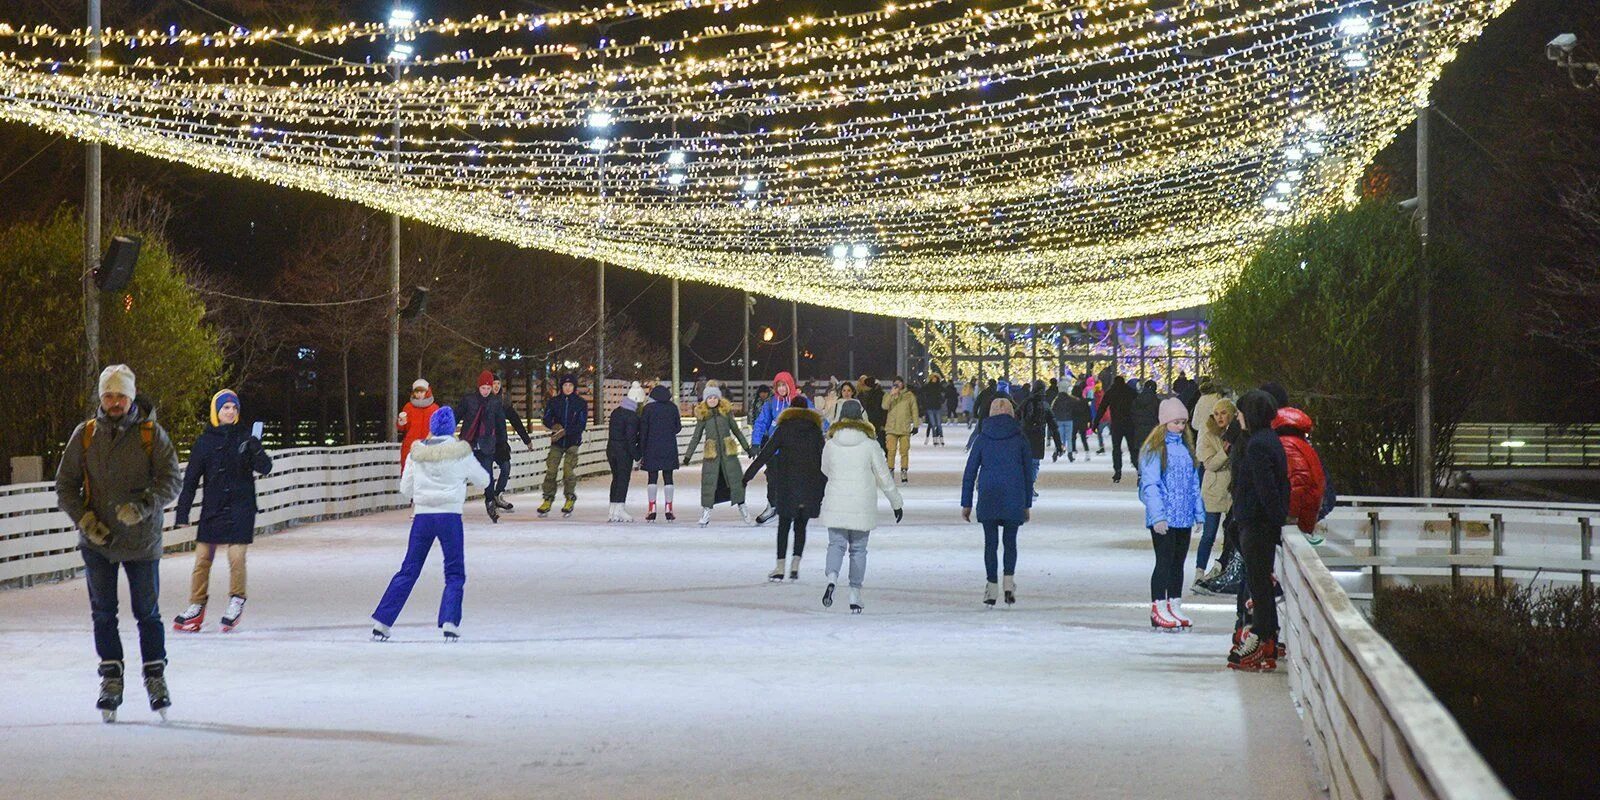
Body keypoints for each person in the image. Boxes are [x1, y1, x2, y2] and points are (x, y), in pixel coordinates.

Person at [56, 365, 182, 722]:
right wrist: (85, 520)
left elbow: (171, 479)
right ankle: (111, 678)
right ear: (101, 397)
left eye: (121, 396)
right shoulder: (85, 435)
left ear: (131, 398)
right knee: (103, 613)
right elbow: (65, 486)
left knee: (147, 613)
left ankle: (155, 676)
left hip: (142, 541)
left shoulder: (150, 435)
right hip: (98, 543)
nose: (114, 402)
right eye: (109, 395)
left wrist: (144, 505)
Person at [371, 406, 490, 643]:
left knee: (409, 569)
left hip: (423, 518)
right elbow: (484, 480)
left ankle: (382, 621)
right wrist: (462, 477)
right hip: (449, 517)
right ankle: (450, 621)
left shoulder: (417, 453)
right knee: (454, 571)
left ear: (432, 428)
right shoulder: (461, 453)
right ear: (452, 427)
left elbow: (406, 489)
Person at [172, 389, 273, 634]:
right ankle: (196, 605)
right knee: (202, 559)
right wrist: (182, 512)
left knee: (236, 557)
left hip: (241, 506)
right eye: (225, 408)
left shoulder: (246, 438)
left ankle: (236, 599)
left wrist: (255, 448)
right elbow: (192, 479)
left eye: (234, 408)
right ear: (217, 412)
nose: (230, 412)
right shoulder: (204, 442)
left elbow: (266, 467)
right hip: (214, 508)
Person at [818, 399, 903, 613]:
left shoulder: (831, 443)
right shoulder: (870, 444)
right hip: (862, 503)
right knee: (858, 550)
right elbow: (883, 476)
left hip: (836, 500)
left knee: (836, 545)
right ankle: (855, 593)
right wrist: (896, 503)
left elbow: (825, 469)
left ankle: (831, 579)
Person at [1227, 389, 1290, 672]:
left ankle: (1261, 636)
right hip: (1259, 524)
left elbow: (1267, 489)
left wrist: (1274, 521)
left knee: (1260, 584)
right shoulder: (1268, 441)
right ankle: (1268, 637)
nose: (1237, 418)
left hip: (1257, 525)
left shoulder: (1257, 446)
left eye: (1240, 413)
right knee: (1261, 582)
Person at [1139, 399, 1206, 631]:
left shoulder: (1187, 450)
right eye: (1176, 422)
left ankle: (1173, 604)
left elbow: (1194, 484)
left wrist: (1199, 513)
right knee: (1164, 562)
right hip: (1165, 517)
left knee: (1178, 563)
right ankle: (1158, 606)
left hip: (1183, 516)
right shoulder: (1155, 449)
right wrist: (1157, 516)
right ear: (1164, 422)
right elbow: (1150, 484)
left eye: (1183, 423)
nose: (1180, 426)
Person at [960, 398, 1034, 607]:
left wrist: (966, 502)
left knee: (990, 544)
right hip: (1014, 496)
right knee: (1010, 542)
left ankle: (991, 587)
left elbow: (970, 472)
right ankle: (1008, 585)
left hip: (989, 495)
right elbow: (1028, 474)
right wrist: (1027, 503)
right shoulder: (1020, 438)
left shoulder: (983, 438)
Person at [743, 395, 826, 581]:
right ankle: (795, 565)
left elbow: (765, 455)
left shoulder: (784, 429)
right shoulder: (815, 430)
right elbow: (824, 459)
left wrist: (747, 476)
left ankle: (780, 568)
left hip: (787, 483)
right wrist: (824, 484)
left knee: (784, 526)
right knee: (801, 527)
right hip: (808, 484)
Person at [684, 382, 755, 526]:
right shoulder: (703, 416)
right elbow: (696, 437)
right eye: (709, 398)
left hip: (728, 455)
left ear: (719, 398)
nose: (712, 400)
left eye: (714, 397)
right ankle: (706, 512)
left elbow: (736, 431)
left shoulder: (726, 413)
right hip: (712, 456)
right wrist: (688, 455)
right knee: (710, 485)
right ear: (705, 400)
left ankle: (743, 509)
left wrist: (747, 448)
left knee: (736, 484)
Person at [1195, 398, 1237, 586]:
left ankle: (1222, 568)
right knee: (1209, 534)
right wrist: (1225, 452)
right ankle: (1199, 571)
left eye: (1224, 413)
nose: (1219, 417)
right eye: (1216, 414)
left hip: (1231, 490)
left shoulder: (1238, 435)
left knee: (1229, 532)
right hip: (1213, 489)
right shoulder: (1208, 435)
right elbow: (1210, 464)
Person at [456, 370, 507, 522]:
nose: (486, 391)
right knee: (460, 475)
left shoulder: (495, 402)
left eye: (488, 388)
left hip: (487, 444)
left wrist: (502, 443)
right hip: (468, 444)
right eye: (483, 388)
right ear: (478, 387)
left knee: (487, 475)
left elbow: (500, 424)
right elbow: (457, 415)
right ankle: (454, 504)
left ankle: (490, 502)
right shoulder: (469, 400)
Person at [538, 374, 588, 517]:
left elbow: (581, 424)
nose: (568, 388)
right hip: (557, 442)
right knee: (551, 470)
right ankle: (547, 498)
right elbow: (546, 418)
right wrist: (554, 426)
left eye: (570, 386)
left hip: (572, 442)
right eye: (565, 385)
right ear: (561, 387)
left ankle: (569, 498)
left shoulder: (580, 403)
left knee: (568, 471)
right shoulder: (554, 402)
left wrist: (566, 431)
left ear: (574, 387)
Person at [638, 383, 683, 522]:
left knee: (652, 478)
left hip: (651, 447)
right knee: (668, 477)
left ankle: (652, 508)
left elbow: (643, 430)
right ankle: (669, 508)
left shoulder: (648, 409)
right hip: (669, 447)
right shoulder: (673, 408)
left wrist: (641, 449)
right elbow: (678, 427)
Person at [491, 378, 534, 513]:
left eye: (498, 383)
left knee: (505, 467)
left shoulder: (504, 404)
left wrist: (526, 440)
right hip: (486, 443)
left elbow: (516, 422)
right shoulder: (483, 402)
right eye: (494, 383)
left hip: (500, 444)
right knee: (486, 472)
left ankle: (498, 495)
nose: (496, 386)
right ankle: (490, 498)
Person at [606, 383, 646, 522]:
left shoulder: (616, 412)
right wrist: (637, 455)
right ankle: (619, 509)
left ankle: (612, 510)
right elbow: (630, 439)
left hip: (611, 449)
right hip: (623, 452)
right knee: (623, 479)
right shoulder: (632, 417)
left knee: (616, 479)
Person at [1017, 380, 1063, 489]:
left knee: (1024, 462)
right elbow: (1054, 427)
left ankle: (1024, 485)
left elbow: (1016, 417)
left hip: (1024, 437)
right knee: (1034, 463)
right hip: (1038, 439)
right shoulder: (1045, 405)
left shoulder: (1025, 402)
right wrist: (1058, 445)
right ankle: (1030, 486)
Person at [1097, 376, 1137, 482]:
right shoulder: (1131, 392)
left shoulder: (1111, 392)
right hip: (1129, 423)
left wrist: (1096, 422)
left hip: (1116, 424)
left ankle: (1117, 471)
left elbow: (1102, 407)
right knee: (1133, 447)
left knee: (1116, 448)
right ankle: (1138, 468)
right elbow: (1138, 407)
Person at [396, 378, 440, 472]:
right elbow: (402, 428)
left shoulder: (434, 408)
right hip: (410, 445)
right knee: (409, 472)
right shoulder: (408, 407)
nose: (419, 394)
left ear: (427, 392)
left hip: (429, 446)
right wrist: (401, 422)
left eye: (422, 392)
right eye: (417, 392)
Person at [881, 376, 920, 483]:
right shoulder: (888, 395)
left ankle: (904, 470)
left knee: (904, 451)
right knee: (891, 451)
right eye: (895, 383)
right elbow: (884, 406)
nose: (897, 385)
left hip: (904, 428)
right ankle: (890, 470)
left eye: (899, 383)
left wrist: (916, 425)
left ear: (903, 384)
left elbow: (914, 410)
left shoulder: (909, 396)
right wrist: (892, 395)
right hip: (891, 427)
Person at [751, 371, 797, 448]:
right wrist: (756, 442)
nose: (781, 388)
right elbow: (761, 422)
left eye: (784, 385)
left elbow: (815, 418)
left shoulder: (800, 401)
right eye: (778, 386)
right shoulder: (771, 403)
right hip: (775, 447)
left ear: (789, 385)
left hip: (795, 446)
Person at [1130, 379, 1161, 461]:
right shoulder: (1156, 401)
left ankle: (1141, 467)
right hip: (1152, 429)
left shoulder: (1137, 400)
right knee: (1152, 451)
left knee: (1141, 449)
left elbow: (1132, 413)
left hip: (1139, 429)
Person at [858, 376, 888, 452]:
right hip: (868, 424)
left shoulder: (879, 395)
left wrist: (883, 424)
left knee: (880, 444)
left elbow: (884, 411)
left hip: (876, 424)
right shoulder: (861, 396)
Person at [919, 376, 948, 447]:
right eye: (933, 378)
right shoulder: (928, 386)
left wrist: (942, 399)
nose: (934, 379)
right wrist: (925, 401)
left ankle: (941, 439)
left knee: (938, 424)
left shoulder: (939, 386)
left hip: (937, 407)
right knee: (933, 424)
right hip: (930, 407)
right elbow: (921, 391)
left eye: (935, 378)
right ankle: (935, 440)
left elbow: (946, 392)